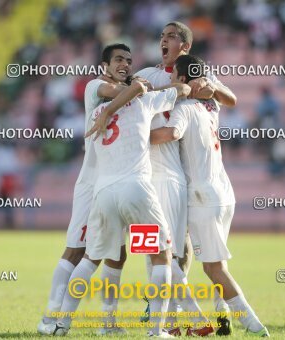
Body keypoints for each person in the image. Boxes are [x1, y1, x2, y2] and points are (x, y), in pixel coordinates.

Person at [52, 78, 190, 337]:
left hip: (104, 194)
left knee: (91, 258)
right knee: (161, 254)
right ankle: (156, 331)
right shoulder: (143, 102)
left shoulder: (95, 113)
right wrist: (159, 87)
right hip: (136, 191)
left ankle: (61, 323)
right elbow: (181, 90)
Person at [150, 55, 270, 337]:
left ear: (181, 78)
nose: (169, 80)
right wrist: (209, 86)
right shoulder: (210, 104)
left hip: (201, 195)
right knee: (211, 262)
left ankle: (252, 324)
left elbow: (172, 133)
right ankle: (217, 315)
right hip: (223, 192)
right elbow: (226, 98)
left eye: (173, 76)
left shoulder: (187, 107)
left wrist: (137, 135)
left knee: (209, 267)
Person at [37, 43, 148, 336]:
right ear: (105, 66)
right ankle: (50, 317)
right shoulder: (96, 86)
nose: (124, 64)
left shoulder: (131, 97)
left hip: (117, 183)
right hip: (92, 183)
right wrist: (140, 84)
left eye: (128, 60)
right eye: (118, 60)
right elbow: (119, 93)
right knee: (76, 250)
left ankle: (108, 323)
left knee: (118, 255)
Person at [135, 21, 237, 335]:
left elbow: (230, 98)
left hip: (188, 177)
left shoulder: (198, 75)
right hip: (157, 174)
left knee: (193, 251)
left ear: (186, 47)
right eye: (161, 35)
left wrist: (213, 88)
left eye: (171, 36)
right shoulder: (148, 75)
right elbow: (130, 91)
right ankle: (167, 313)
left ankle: (200, 318)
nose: (163, 40)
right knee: (160, 248)